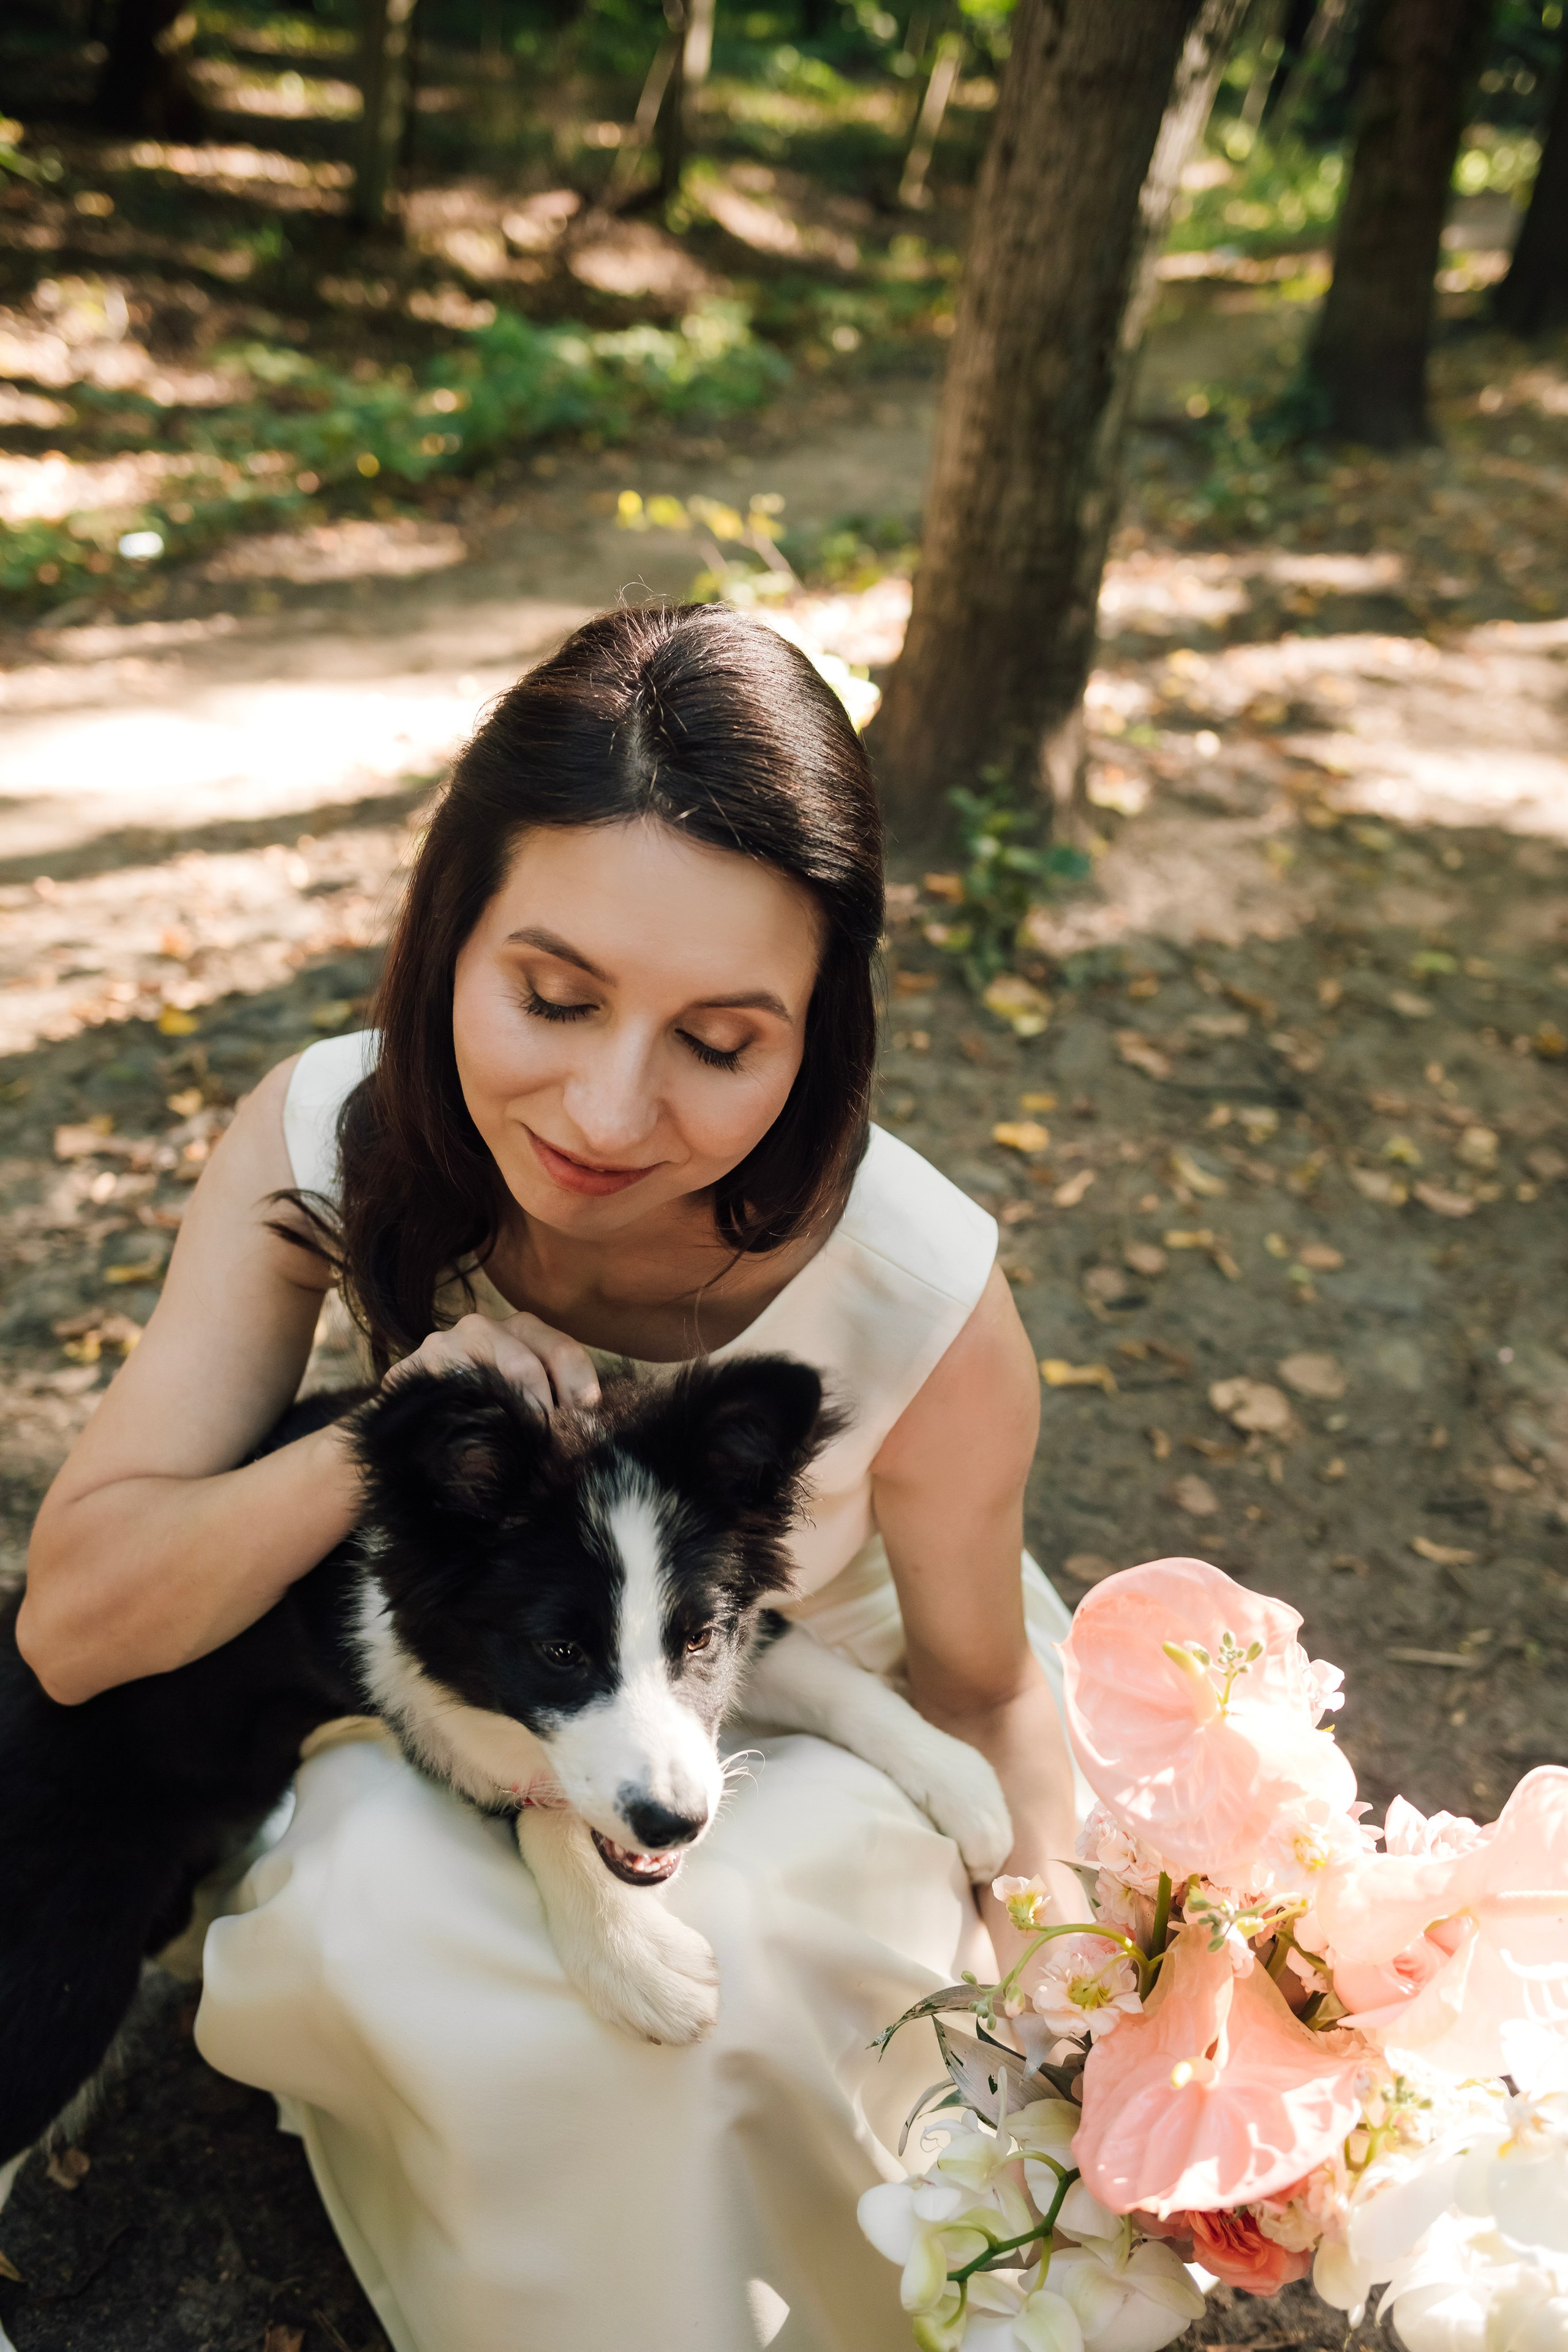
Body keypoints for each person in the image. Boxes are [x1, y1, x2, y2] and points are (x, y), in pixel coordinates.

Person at [21, 604, 1083, 2352]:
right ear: (450, 935)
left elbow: (982, 1685)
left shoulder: (920, 1291)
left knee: (731, 1983)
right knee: (387, 1901)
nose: (606, 1109)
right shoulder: (322, 1144)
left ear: (819, 1033)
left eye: (720, 1041)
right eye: (553, 994)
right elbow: (76, 1632)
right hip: (477, 1698)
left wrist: (1070, 2008)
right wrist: (384, 1438)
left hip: (817, 1698)